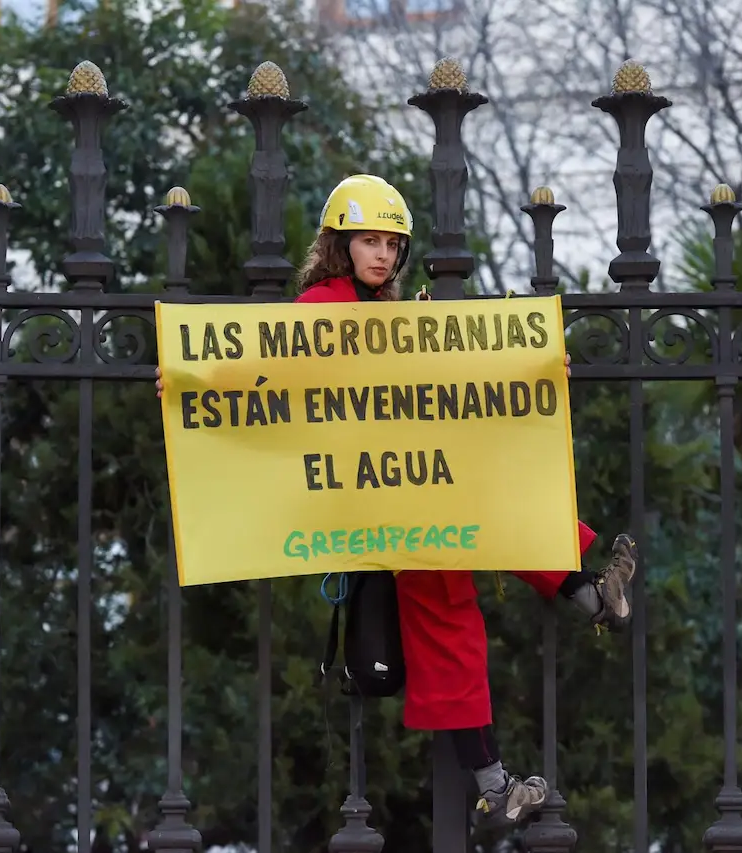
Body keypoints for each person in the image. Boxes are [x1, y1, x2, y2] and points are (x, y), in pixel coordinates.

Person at [155, 174, 639, 829]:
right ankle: (496, 781)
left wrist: (538, 364)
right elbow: (253, 369)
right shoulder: (322, 305)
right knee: (450, 619)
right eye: (369, 241)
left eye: (392, 243)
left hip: (423, 481)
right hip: (374, 501)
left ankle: (587, 597)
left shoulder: (396, 317)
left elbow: (462, 373)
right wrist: (189, 375)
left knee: (504, 501)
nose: (383, 254)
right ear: (341, 245)